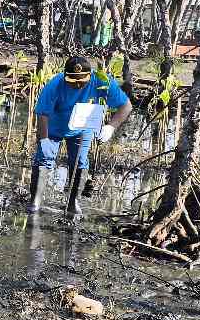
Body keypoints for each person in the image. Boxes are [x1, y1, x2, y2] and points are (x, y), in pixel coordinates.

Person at [28, 56, 132, 215]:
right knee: (44, 158)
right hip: (54, 128)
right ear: (65, 76)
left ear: (90, 75)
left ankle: (72, 202)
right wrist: (44, 140)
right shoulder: (55, 84)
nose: (77, 84)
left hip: (82, 129)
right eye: (72, 81)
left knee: (80, 161)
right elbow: (42, 114)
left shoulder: (102, 81)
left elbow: (126, 106)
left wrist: (111, 127)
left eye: (82, 81)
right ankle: (35, 200)